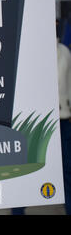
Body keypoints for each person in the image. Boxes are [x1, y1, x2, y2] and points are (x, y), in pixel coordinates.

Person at [57, 40, 71, 215]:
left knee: (67, 168)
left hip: (63, 118)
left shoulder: (64, 52)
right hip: (41, 118)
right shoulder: (32, 50)